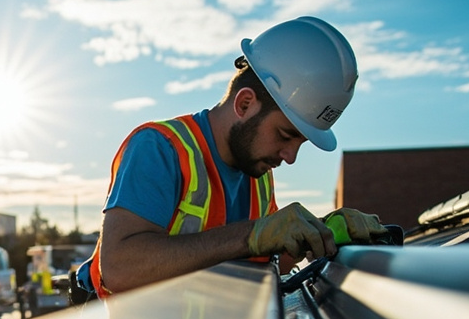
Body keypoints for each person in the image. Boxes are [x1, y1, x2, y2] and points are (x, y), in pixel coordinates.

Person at [73, 16, 387, 301]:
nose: (290, 156)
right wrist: (251, 236)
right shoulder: (160, 149)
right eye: (285, 135)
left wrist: (322, 231)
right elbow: (119, 268)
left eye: (300, 143)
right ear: (245, 103)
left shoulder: (258, 173)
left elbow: (271, 252)